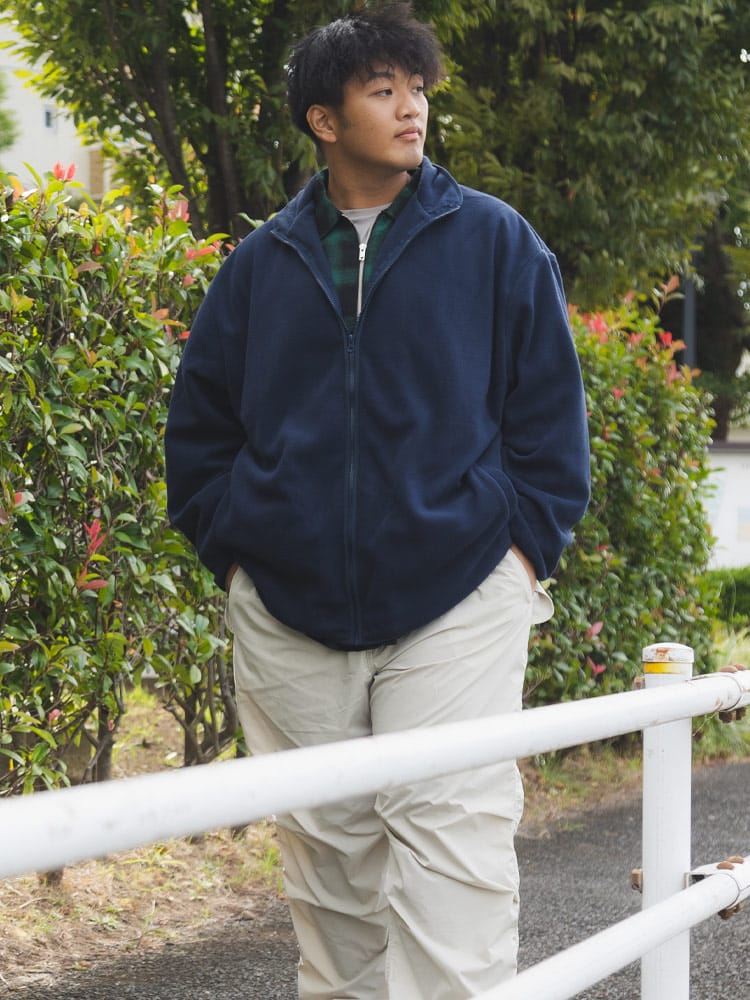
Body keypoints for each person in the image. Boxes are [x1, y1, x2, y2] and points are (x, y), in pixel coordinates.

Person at [165, 3, 590, 997]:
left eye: (419, 89)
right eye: (383, 89)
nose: (412, 109)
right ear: (324, 120)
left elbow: (549, 420)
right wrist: (242, 559)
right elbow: (201, 435)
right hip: (290, 616)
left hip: (459, 599)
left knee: (454, 869)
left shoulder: (495, 242)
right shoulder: (260, 264)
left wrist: (518, 553)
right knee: (333, 891)